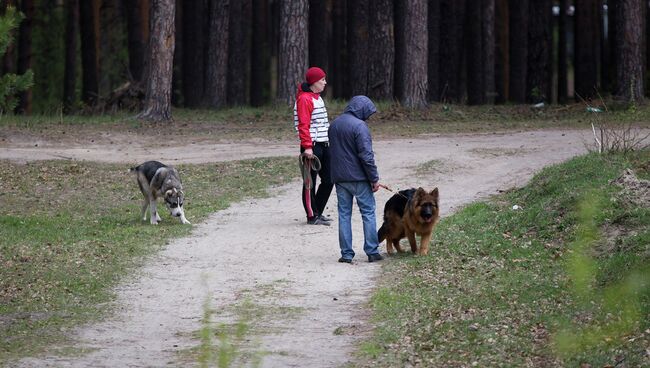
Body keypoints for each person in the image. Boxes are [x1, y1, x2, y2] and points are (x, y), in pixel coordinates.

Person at [328, 95, 383, 263]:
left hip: (340, 179)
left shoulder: (334, 124)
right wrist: (374, 178)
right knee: (368, 213)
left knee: (344, 214)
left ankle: (346, 254)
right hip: (359, 178)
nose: (368, 116)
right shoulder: (360, 126)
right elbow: (366, 157)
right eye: (368, 112)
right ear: (362, 109)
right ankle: (372, 251)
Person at [294, 66, 333, 226]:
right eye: (322, 80)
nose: (325, 82)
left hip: (324, 144)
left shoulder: (317, 97)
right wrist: (307, 147)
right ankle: (312, 216)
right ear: (314, 82)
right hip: (312, 146)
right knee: (310, 182)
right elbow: (303, 125)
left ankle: (318, 211)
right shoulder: (304, 99)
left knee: (329, 179)